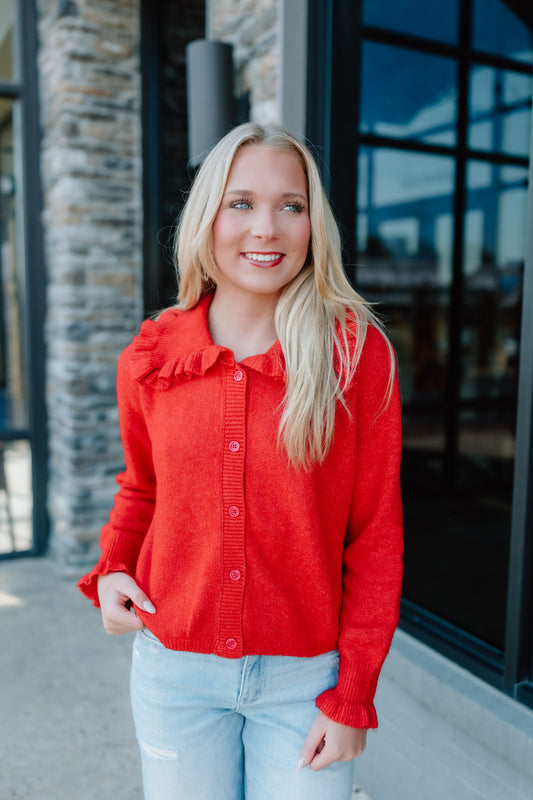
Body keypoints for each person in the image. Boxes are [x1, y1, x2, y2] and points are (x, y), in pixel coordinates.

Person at [78, 121, 403, 800]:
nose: (267, 228)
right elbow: (142, 490)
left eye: (291, 205)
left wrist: (353, 695)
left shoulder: (354, 356)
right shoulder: (153, 356)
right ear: (207, 217)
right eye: (241, 203)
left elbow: (374, 537)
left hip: (305, 683)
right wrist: (112, 569)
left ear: (314, 224)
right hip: (174, 675)